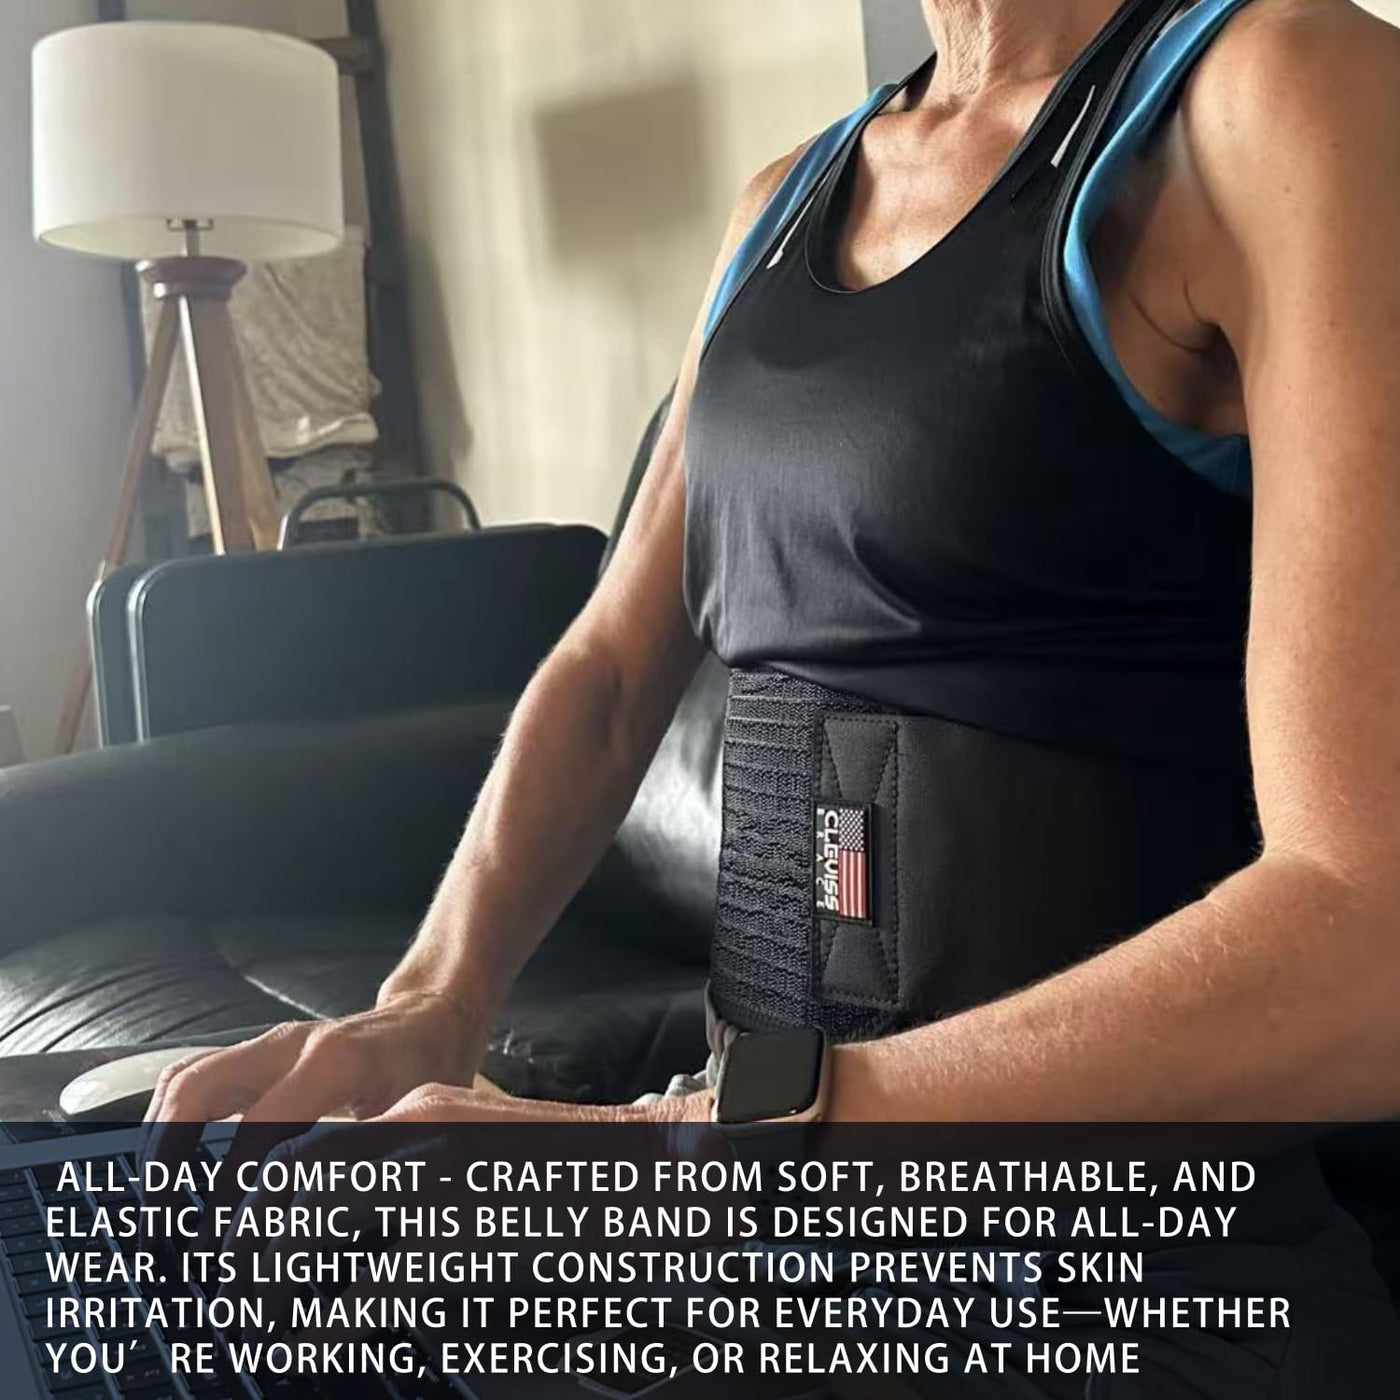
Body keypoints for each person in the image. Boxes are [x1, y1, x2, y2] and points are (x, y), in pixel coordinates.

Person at [149, 0, 1400, 1387]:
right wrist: (430, 1004)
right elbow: (611, 672)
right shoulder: (785, 203)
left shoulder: (1282, 92)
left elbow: (1372, 948)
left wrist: (687, 1157)